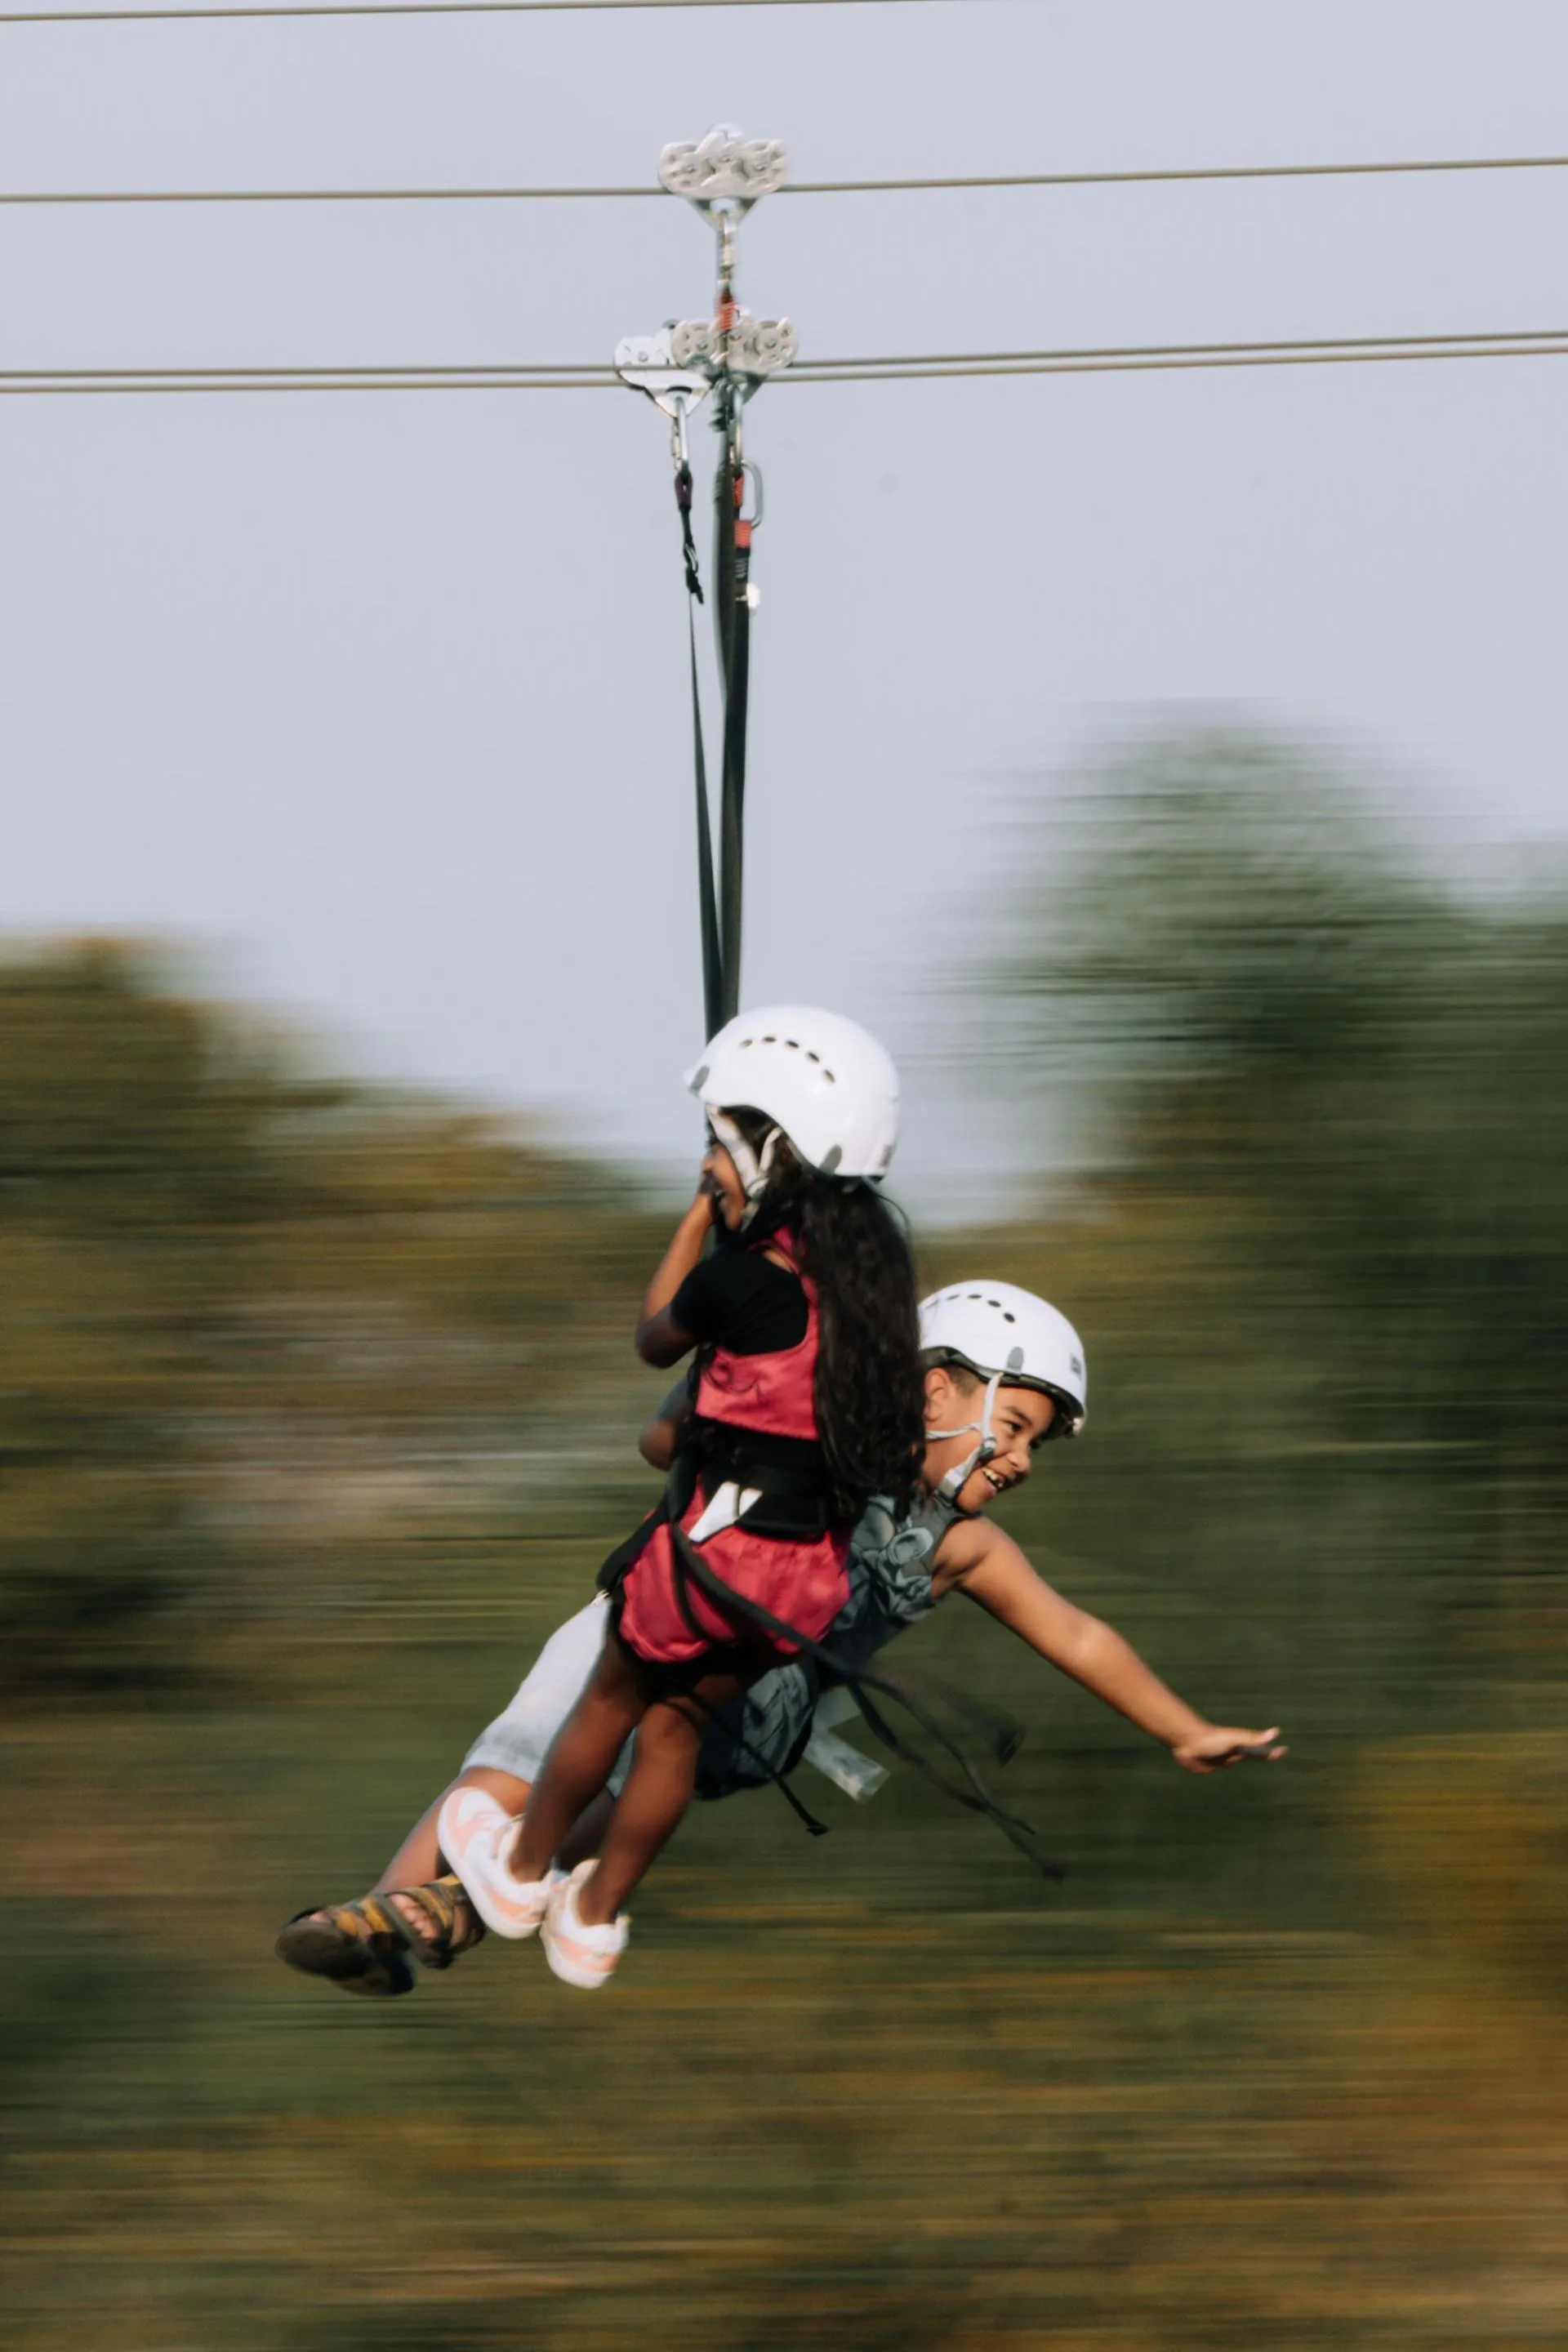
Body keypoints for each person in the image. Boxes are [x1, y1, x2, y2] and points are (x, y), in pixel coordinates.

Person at [275, 1278, 1283, 1999]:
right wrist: (728, 1347)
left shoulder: (963, 1548)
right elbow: (663, 1442)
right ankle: (395, 1914)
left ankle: (454, 1909)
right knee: (518, 1756)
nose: (1020, 1459)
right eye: (1013, 1425)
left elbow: (1073, 1632)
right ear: (937, 1387)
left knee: (597, 1770)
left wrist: (1180, 1729)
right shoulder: (811, 1429)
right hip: (655, 1613)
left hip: (747, 1701)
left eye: (1034, 1444)